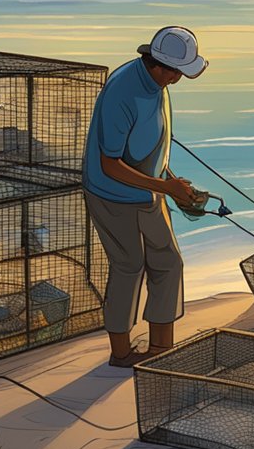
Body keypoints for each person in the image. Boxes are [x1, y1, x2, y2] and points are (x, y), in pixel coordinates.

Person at [82, 26, 206, 367]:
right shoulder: (122, 92)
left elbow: (149, 148)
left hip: (149, 191)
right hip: (111, 194)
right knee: (129, 266)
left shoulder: (159, 86)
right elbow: (111, 165)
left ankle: (160, 348)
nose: (180, 78)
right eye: (179, 71)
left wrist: (172, 183)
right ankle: (121, 353)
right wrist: (166, 188)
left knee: (168, 262)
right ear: (160, 66)